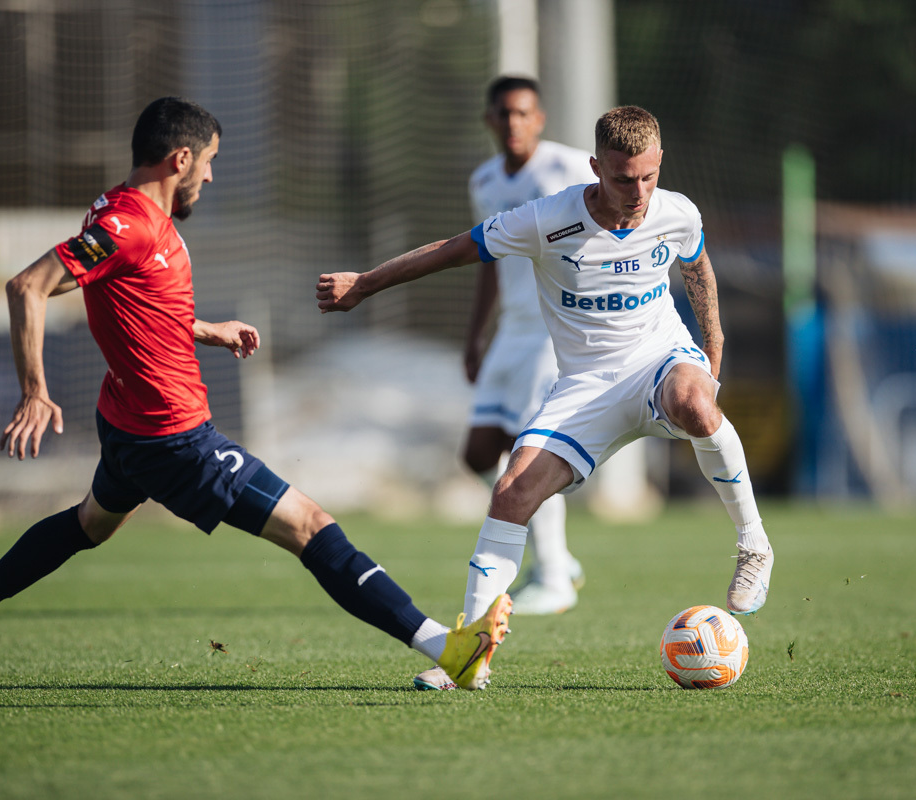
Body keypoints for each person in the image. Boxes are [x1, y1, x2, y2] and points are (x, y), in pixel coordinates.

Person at [0, 97, 511, 692]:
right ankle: (446, 645)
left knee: (89, 525)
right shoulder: (129, 227)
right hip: (174, 439)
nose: (210, 174)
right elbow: (28, 286)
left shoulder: (120, 210)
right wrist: (34, 391)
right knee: (311, 525)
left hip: (126, 426)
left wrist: (205, 329)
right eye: (209, 161)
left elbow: (134, 300)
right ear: (180, 157)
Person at [317, 105, 773, 689]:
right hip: (585, 386)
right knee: (510, 492)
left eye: (649, 176)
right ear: (594, 168)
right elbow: (454, 248)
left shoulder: (677, 212)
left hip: (660, 361)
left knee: (695, 401)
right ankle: (468, 657)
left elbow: (698, 268)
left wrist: (713, 348)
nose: (637, 192)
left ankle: (753, 544)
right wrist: (366, 283)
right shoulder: (545, 219)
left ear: (660, 165)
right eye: (622, 178)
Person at [462, 76, 591, 618]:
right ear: (491, 120)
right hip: (509, 333)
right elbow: (488, 257)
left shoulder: (570, 168)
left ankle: (555, 573)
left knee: (528, 451)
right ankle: (555, 551)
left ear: (539, 118)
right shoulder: (485, 179)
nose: (514, 123)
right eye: (505, 115)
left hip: (549, 329)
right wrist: (476, 332)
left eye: (524, 114)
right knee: (476, 454)